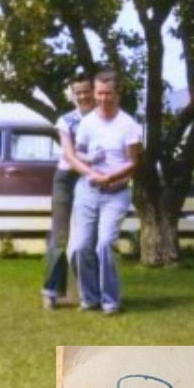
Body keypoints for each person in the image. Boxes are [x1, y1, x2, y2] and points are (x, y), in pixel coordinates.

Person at [67, 71, 143, 314]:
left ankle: (110, 301)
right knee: (80, 247)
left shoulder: (129, 125)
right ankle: (89, 299)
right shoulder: (87, 123)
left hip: (116, 192)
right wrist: (91, 170)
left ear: (117, 95)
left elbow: (133, 162)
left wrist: (111, 177)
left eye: (108, 93)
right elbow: (78, 153)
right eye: (99, 93)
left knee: (104, 244)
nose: (103, 98)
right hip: (88, 189)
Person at [41, 69, 96, 310]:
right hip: (67, 178)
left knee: (88, 238)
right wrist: (95, 160)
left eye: (86, 92)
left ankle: (90, 293)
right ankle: (51, 291)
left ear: (94, 92)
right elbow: (69, 153)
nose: (83, 96)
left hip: (93, 179)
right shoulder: (66, 120)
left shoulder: (104, 119)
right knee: (60, 236)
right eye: (78, 93)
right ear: (72, 96)